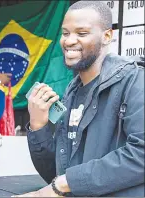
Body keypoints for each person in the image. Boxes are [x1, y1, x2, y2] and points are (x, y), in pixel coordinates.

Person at [19, 1, 144, 197]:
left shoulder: (135, 81)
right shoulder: (71, 92)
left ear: (107, 36)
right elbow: (58, 175)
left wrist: (64, 183)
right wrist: (38, 125)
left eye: (82, 33)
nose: (69, 41)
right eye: (66, 33)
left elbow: (141, 155)